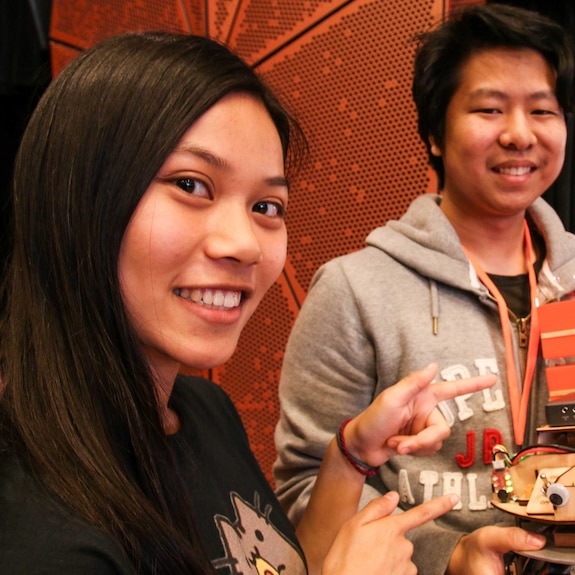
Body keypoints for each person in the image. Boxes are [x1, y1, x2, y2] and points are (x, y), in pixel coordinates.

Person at [0, 31, 495, 575]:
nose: (243, 244)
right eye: (191, 185)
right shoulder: (33, 524)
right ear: (75, 199)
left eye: (266, 204)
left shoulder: (203, 412)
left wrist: (351, 454)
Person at [273, 5, 575, 575]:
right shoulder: (354, 291)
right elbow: (304, 491)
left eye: (542, 110)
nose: (519, 133)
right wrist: (447, 556)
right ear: (435, 135)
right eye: (489, 109)